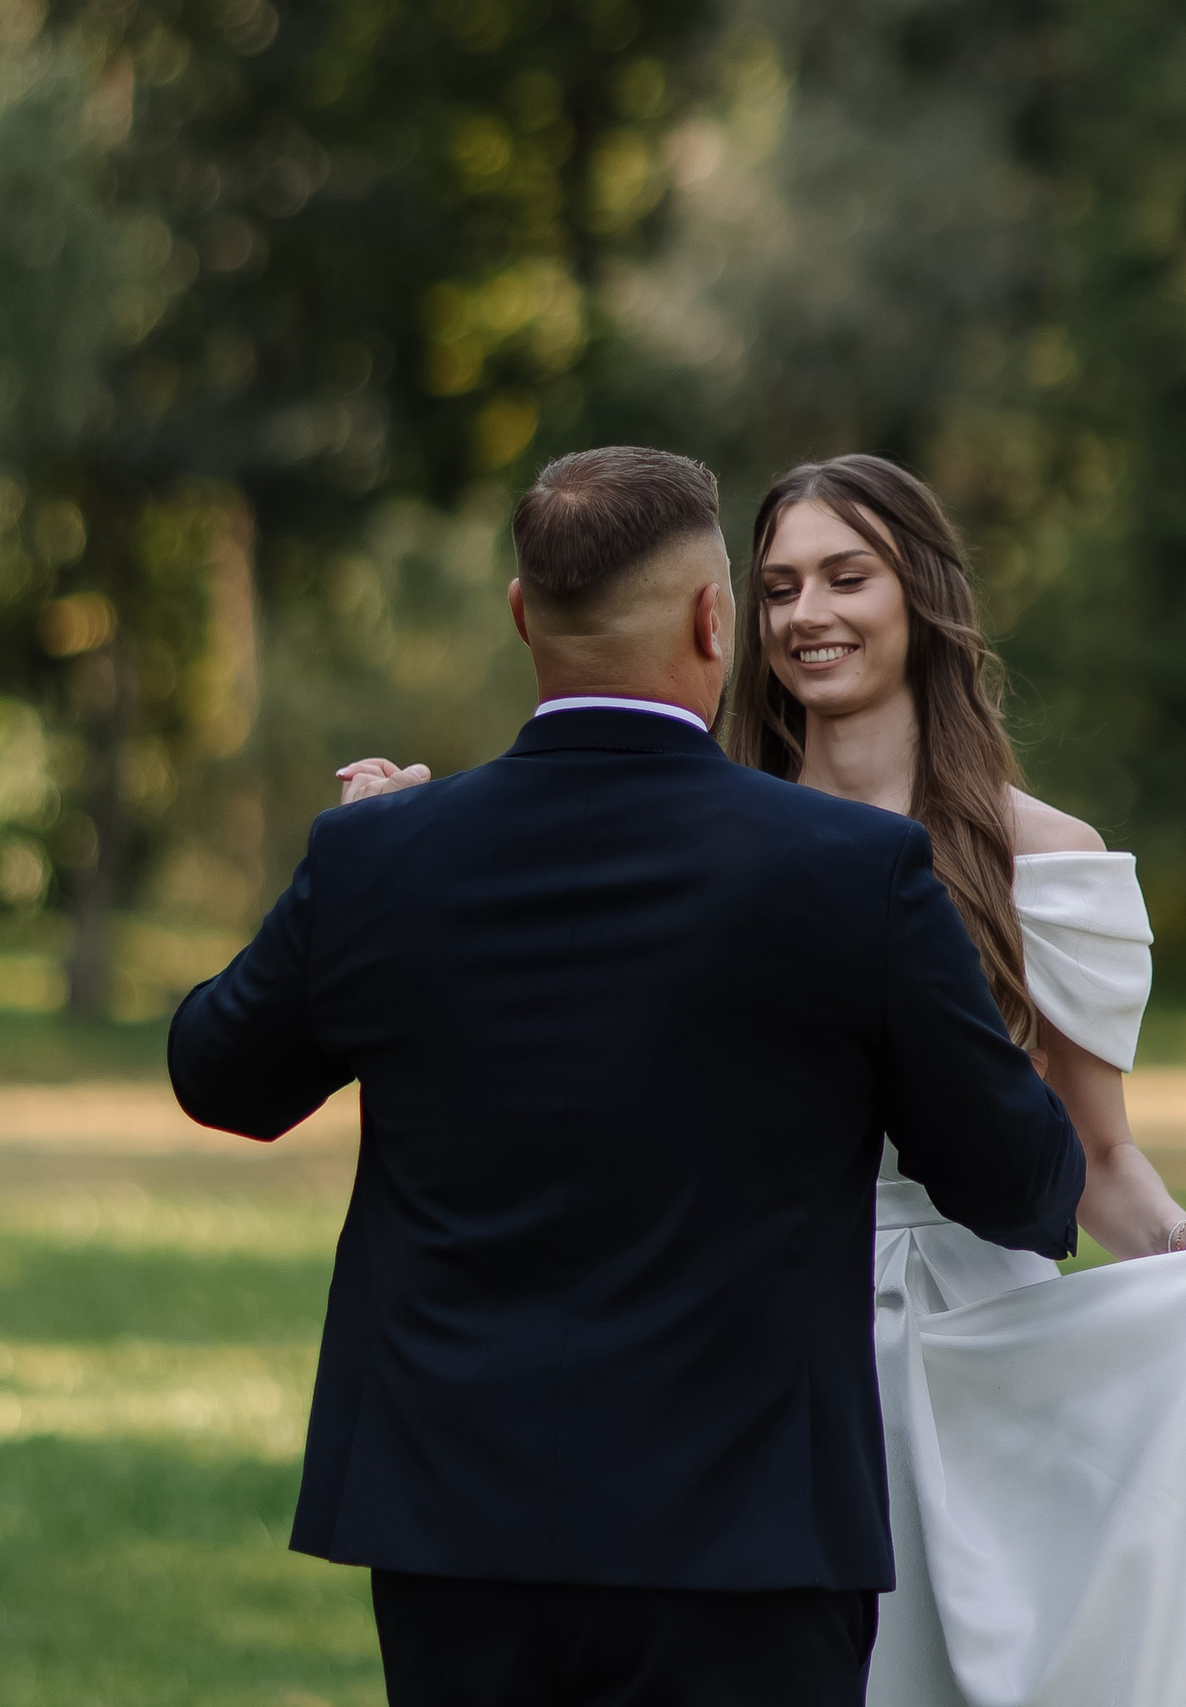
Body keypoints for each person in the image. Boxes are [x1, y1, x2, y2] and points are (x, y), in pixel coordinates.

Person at [347, 453, 1186, 1707]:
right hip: (753, 1346)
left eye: (847, 577)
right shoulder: (717, 841)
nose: (807, 616)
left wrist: (1176, 1237)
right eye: (778, 587)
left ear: (922, 597)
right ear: (726, 615)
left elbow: (1093, 1153)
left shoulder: (1045, 860)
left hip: (977, 1350)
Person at [169, 446, 1086, 1707]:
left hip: (453, 1530)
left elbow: (220, 1075)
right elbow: (1019, 1184)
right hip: (745, 1535)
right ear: (717, 623)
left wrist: (355, 866)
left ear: (518, 617)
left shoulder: (381, 860)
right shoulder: (854, 872)